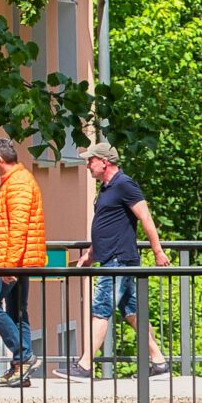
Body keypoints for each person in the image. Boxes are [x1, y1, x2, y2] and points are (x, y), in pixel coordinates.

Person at [59, 139, 172, 379]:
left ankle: (85, 366)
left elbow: (146, 218)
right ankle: (159, 363)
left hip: (119, 260)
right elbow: (107, 225)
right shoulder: (107, 187)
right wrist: (91, 253)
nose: (88, 165)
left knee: (100, 309)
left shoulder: (124, 184)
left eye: (90, 160)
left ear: (104, 162)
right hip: (113, 259)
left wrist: (157, 251)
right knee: (131, 312)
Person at [0, 137, 44, 386]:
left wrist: (9, 265)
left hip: (13, 260)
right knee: (16, 313)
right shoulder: (16, 181)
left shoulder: (17, 183)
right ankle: (19, 368)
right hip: (19, 260)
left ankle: (24, 356)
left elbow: (18, 228)